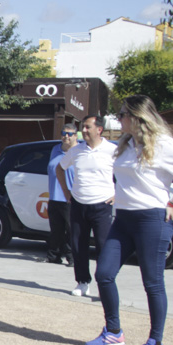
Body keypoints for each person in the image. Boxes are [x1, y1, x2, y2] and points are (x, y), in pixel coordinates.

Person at [85, 95, 173, 345]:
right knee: (104, 274)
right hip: (123, 219)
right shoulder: (124, 145)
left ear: (138, 117)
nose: (119, 118)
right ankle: (113, 331)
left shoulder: (164, 145)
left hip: (152, 220)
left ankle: (155, 343)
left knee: (153, 283)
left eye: (123, 114)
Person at [57, 115, 116, 298]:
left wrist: (117, 193)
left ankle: (105, 284)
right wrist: (66, 192)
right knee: (78, 244)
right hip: (78, 204)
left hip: (102, 205)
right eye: (83, 127)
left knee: (103, 246)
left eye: (87, 127)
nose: (83, 130)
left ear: (99, 129)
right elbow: (60, 168)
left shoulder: (112, 150)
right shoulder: (76, 151)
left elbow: (124, 172)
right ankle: (82, 282)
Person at [41, 124, 78, 266]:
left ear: (76, 136)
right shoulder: (55, 149)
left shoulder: (79, 151)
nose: (66, 136)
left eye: (70, 134)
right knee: (56, 230)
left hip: (70, 198)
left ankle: (73, 257)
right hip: (54, 196)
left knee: (71, 230)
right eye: (64, 133)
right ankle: (53, 256)